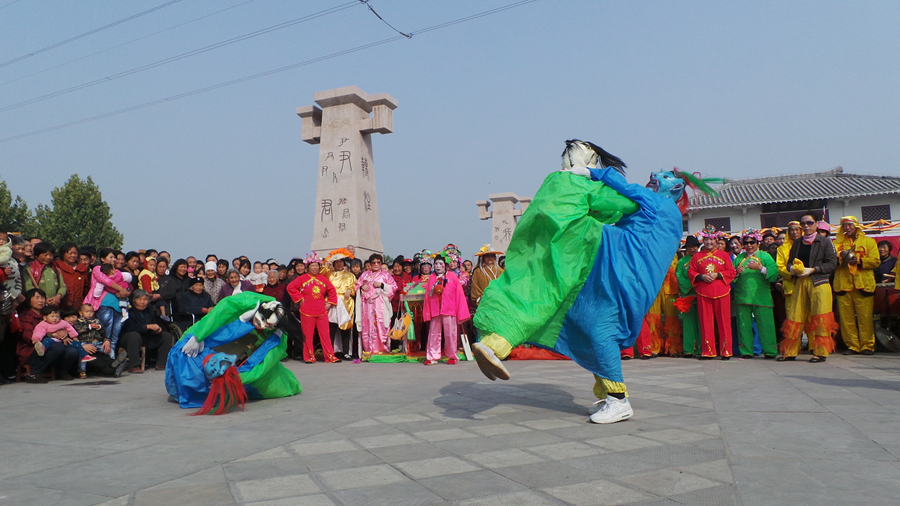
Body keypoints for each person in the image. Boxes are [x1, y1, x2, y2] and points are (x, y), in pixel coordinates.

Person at [472, 141, 695, 425]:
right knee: (590, 327)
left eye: (662, 180)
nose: (653, 180)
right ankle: (607, 395)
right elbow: (619, 206)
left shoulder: (662, 206)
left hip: (623, 277)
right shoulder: (656, 211)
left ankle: (619, 400)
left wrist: (592, 174)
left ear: (674, 190)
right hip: (616, 271)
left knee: (601, 331)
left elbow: (627, 193)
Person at [780, 214, 838, 362]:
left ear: (817, 224)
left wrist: (813, 269)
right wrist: (792, 269)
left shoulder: (825, 242)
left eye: (809, 222)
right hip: (801, 282)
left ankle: (820, 352)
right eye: (803, 223)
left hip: (819, 282)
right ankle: (790, 351)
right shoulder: (798, 243)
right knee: (795, 315)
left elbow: (832, 263)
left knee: (821, 317)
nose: (806, 225)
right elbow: (790, 262)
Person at [833, 216, 880, 355]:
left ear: (856, 226)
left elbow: (876, 261)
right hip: (843, 284)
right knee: (846, 319)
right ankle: (852, 346)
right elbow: (831, 261)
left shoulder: (869, 242)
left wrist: (859, 261)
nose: (847, 228)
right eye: (844, 226)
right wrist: (841, 257)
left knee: (865, 317)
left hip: (863, 284)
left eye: (850, 225)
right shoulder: (836, 243)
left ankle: (867, 346)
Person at [689, 225, 737, 360]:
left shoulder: (724, 255)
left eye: (711, 240)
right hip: (704, 292)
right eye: (706, 240)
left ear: (716, 240)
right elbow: (691, 272)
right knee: (705, 322)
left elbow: (731, 272)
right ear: (703, 241)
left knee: (724, 322)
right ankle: (708, 351)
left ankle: (726, 351)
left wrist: (718, 274)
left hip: (722, 291)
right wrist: (701, 277)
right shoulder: (697, 256)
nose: (709, 242)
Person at [287, 253, 340, 363]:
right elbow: (290, 287)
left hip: (322, 311)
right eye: (313, 266)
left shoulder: (323, 279)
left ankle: (330, 356)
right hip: (306, 311)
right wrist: (300, 298)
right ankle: (309, 357)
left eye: (317, 265)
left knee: (325, 335)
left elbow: (332, 291)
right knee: (308, 335)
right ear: (308, 267)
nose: (315, 268)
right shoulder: (302, 279)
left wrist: (329, 303)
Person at [732, 230, 778, 359]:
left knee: (766, 325)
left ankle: (770, 351)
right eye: (746, 243)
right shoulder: (739, 259)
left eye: (752, 242)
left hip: (761, 296)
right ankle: (746, 351)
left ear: (757, 243)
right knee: (743, 325)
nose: (749, 245)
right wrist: (736, 273)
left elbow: (774, 273)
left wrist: (760, 268)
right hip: (743, 297)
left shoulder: (765, 256)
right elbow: (730, 276)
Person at [18, 289, 80, 382]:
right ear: (29, 300)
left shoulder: (50, 313)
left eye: (42, 298)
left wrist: (64, 332)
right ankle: (34, 373)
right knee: (57, 347)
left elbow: (63, 325)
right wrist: (51, 335)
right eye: (37, 298)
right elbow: (28, 337)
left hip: (55, 346)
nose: (40, 301)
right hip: (32, 350)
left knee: (72, 351)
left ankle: (61, 372)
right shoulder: (26, 316)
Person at [83, 248, 131, 359]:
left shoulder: (118, 272)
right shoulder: (97, 268)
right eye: (111, 257)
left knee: (115, 334)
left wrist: (126, 292)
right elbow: (105, 280)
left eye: (115, 257)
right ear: (103, 259)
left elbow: (127, 285)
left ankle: (112, 358)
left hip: (118, 307)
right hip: (104, 305)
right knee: (105, 334)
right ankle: (105, 359)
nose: (113, 260)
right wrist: (120, 289)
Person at [423, 257, 470, 365]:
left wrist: (460, 311)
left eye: (441, 263)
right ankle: (432, 356)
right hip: (436, 309)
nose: (438, 266)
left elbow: (459, 295)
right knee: (434, 334)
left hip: (449, 309)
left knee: (450, 334)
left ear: (446, 265)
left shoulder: (452, 277)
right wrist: (428, 311)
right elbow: (427, 296)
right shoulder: (432, 278)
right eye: (436, 264)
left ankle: (452, 355)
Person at [120, 290, 174, 373]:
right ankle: (134, 365)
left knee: (165, 335)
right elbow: (129, 327)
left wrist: (156, 330)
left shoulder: (150, 311)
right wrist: (146, 327)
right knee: (134, 335)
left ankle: (161, 363)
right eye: (139, 299)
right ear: (134, 300)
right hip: (129, 339)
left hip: (146, 337)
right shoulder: (128, 312)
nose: (142, 302)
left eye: (145, 299)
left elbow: (154, 324)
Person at [354, 253, 397, 355]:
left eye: (378, 262)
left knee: (381, 325)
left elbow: (394, 287)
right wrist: (361, 288)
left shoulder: (385, 275)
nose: (376, 264)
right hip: (367, 306)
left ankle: (381, 348)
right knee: (367, 325)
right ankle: (368, 349)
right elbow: (356, 286)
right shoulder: (364, 275)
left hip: (380, 306)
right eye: (374, 262)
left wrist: (382, 285)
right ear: (370, 263)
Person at [73, 304, 128, 377]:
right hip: (84, 343)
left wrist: (104, 336)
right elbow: (78, 330)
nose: (89, 313)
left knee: (107, 350)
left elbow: (102, 332)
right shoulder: (79, 322)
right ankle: (82, 371)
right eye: (87, 311)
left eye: (91, 312)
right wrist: (89, 327)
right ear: (80, 312)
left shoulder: (96, 320)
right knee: (87, 357)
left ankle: (114, 362)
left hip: (97, 342)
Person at [325, 250, 356, 359]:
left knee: (345, 327)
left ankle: (346, 352)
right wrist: (326, 265)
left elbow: (354, 286)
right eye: (337, 262)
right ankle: (330, 351)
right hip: (332, 302)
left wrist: (350, 290)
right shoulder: (328, 274)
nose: (339, 264)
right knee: (331, 328)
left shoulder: (350, 275)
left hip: (345, 302)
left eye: (341, 262)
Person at [675, 235, 702, 357]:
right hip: (688, 295)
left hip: (702, 294)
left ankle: (702, 349)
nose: (692, 249)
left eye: (694, 246)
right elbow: (679, 276)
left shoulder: (703, 258)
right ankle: (689, 349)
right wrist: (692, 285)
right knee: (688, 324)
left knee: (702, 323)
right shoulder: (682, 261)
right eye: (689, 247)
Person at [23, 242, 66, 307]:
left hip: (54, 305)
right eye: (45, 255)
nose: (48, 257)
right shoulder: (29, 268)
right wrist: (43, 298)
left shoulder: (55, 268)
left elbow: (63, 286)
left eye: (51, 255)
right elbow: (28, 286)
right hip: (37, 305)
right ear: (37, 255)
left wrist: (58, 297)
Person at [54, 242, 88, 309]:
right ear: (63, 254)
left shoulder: (82, 269)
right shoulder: (56, 267)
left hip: (78, 307)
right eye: (70, 253)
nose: (73, 255)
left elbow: (86, 288)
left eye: (75, 253)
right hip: (59, 306)